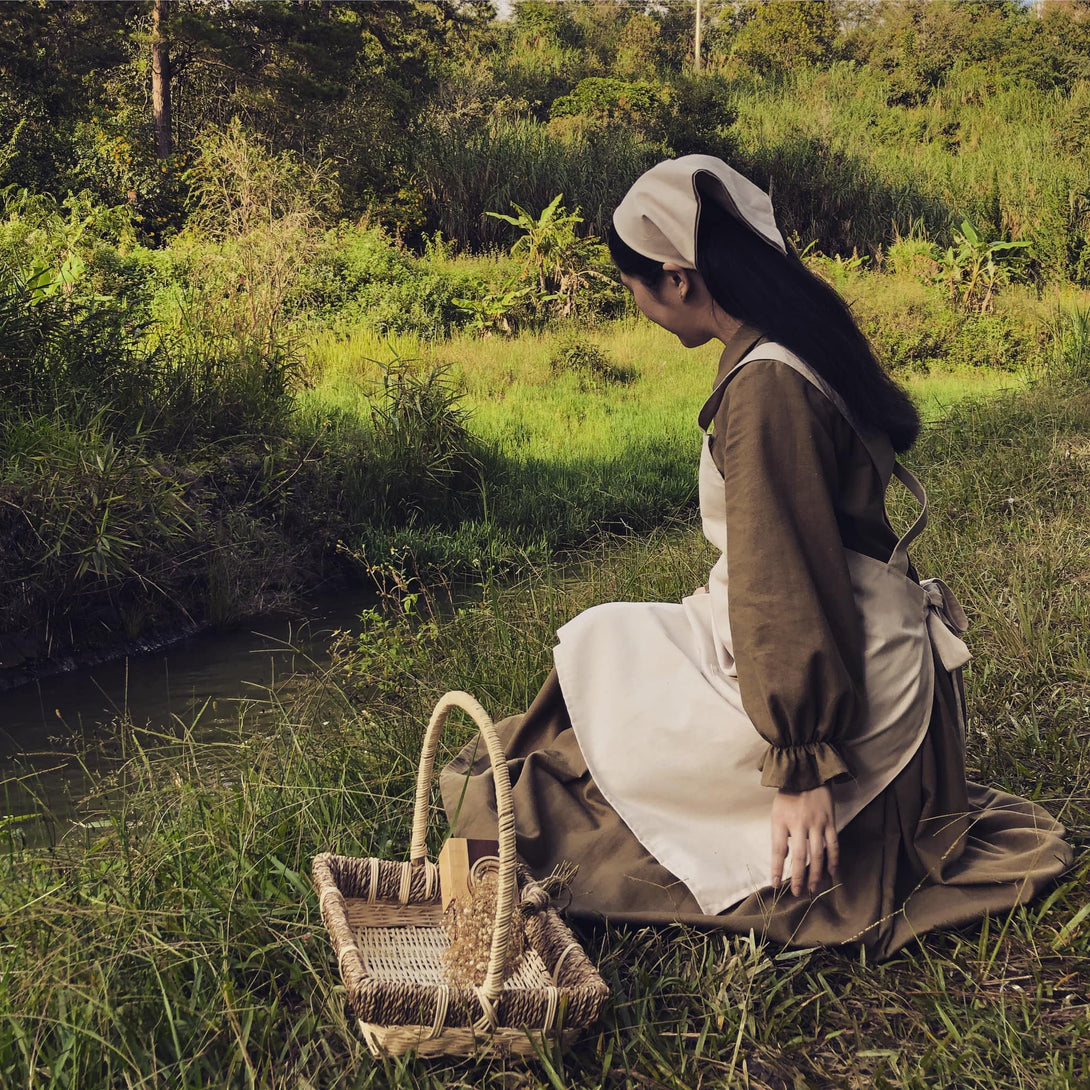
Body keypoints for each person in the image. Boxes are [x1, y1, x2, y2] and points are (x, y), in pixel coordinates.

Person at [440, 155, 1073, 958]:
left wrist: (803, 767)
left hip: (837, 661)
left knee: (555, 786)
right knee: (603, 641)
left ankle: (587, 823)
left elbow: (784, 580)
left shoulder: (769, 385)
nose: (634, 304)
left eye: (632, 286)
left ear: (677, 278)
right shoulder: (791, 341)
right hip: (857, 625)